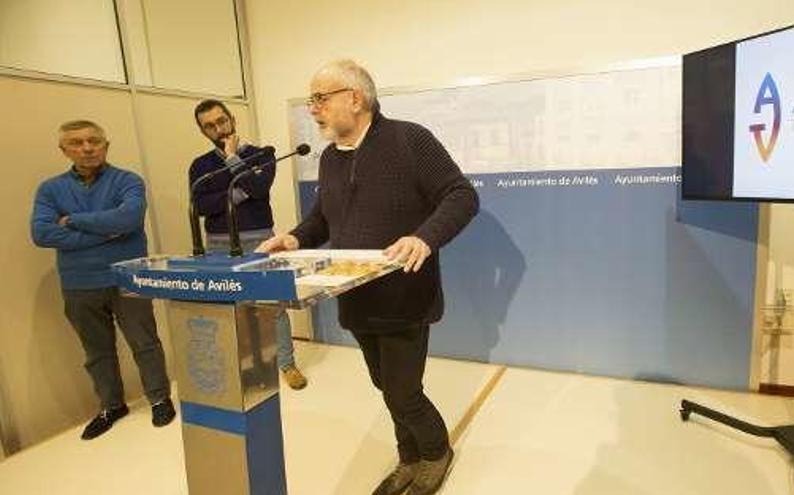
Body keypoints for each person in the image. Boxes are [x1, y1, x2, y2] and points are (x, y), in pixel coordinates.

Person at [258, 60, 478, 495]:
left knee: (403, 391)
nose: (313, 108)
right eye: (311, 100)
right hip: (355, 297)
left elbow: (461, 195)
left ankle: (435, 453)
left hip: (405, 295)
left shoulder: (410, 139)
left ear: (354, 98)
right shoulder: (329, 158)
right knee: (385, 386)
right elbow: (323, 218)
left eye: (320, 98)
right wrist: (295, 238)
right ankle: (408, 458)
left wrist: (424, 237)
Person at [30, 120, 175, 440]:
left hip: (128, 277)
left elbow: (129, 218)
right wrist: (108, 232)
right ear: (64, 150)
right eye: (77, 143)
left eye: (94, 141)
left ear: (106, 145)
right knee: (96, 351)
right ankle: (112, 405)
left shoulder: (128, 181)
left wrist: (74, 222)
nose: (87, 148)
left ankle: (160, 398)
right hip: (79, 284)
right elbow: (41, 233)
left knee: (145, 343)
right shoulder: (49, 189)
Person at [189, 99, 307, 390]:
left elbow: (259, 187)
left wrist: (231, 159)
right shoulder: (200, 166)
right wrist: (238, 192)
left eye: (222, 121)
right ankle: (242, 365)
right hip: (218, 244)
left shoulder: (263, 154)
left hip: (261, 241)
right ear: (202, 130)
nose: (218, 129)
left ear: (232, 119)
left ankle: (286, 364)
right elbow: (201, 205)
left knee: (272, 307)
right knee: (232, 308)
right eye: (210, 126)